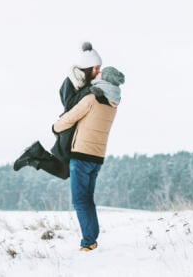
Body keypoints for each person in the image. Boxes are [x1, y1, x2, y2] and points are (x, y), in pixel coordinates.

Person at [53, 65, 124, 252]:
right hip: (97, 158)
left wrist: (55, 127)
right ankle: (91, 239)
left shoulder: (91, 98)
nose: (97, 73)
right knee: (87, 200)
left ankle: (88, 242)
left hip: (81, 156)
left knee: (79, 201)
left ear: (105, 79)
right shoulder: (112, 104)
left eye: (100, 73)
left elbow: (70, 117)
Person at [13, 42, 102, 179]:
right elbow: (70, 105)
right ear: (87, 67)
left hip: (75, 131)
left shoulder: (87, 84)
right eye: (96, 68)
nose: (98, 72)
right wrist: (89, 90)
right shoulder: (70, 81)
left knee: (65, 171)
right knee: (65, 172)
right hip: (68, 130)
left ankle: (33, 155)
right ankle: (32, 155)